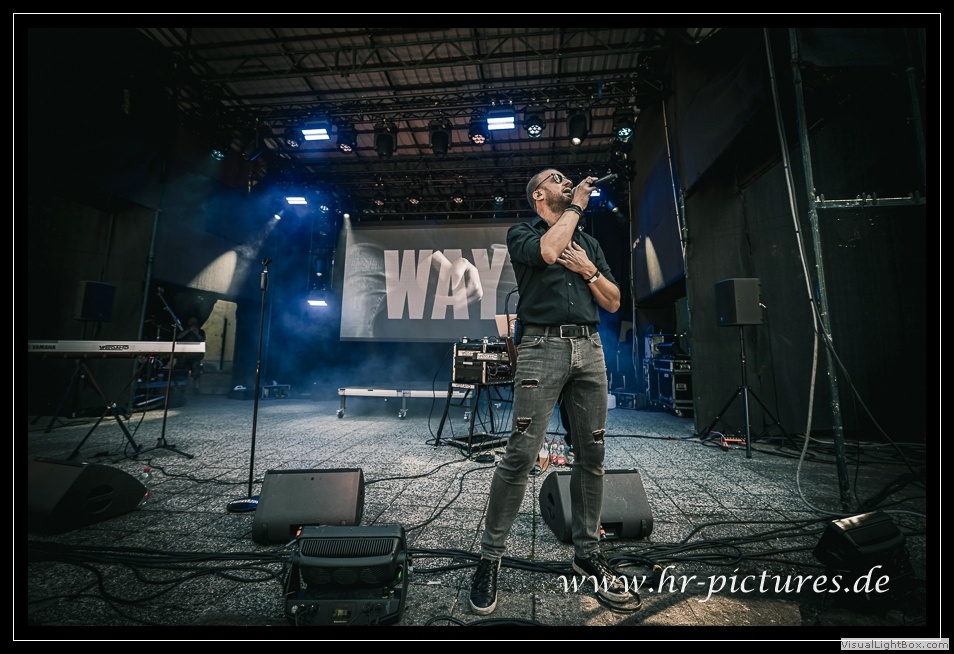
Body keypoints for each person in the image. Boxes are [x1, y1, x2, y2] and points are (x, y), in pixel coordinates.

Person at [469, 169, 634, 615]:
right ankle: (490, 558)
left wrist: (588, 269)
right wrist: (577, 202)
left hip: (589, 348)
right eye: (556, 179)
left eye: (568, 180)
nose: (567, 182)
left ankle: (587, 554)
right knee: (521, 454)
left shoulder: (588, 243)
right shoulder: (523, 233)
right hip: (541, 347)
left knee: (592, 454)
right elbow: (547, 251)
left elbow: (613, 301)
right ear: (539, 195)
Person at [177, 316, 206, 394]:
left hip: (195, 355)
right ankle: (181, 387)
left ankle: (196, 388)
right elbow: (178, 337)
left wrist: (196, 333)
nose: (193, 324)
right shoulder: (183, 330)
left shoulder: (201, 331)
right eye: (192, 322)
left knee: (196, 371)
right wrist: (188, 331)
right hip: (183, 354)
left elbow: (202, 339)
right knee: (182, 371)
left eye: (195, 322)